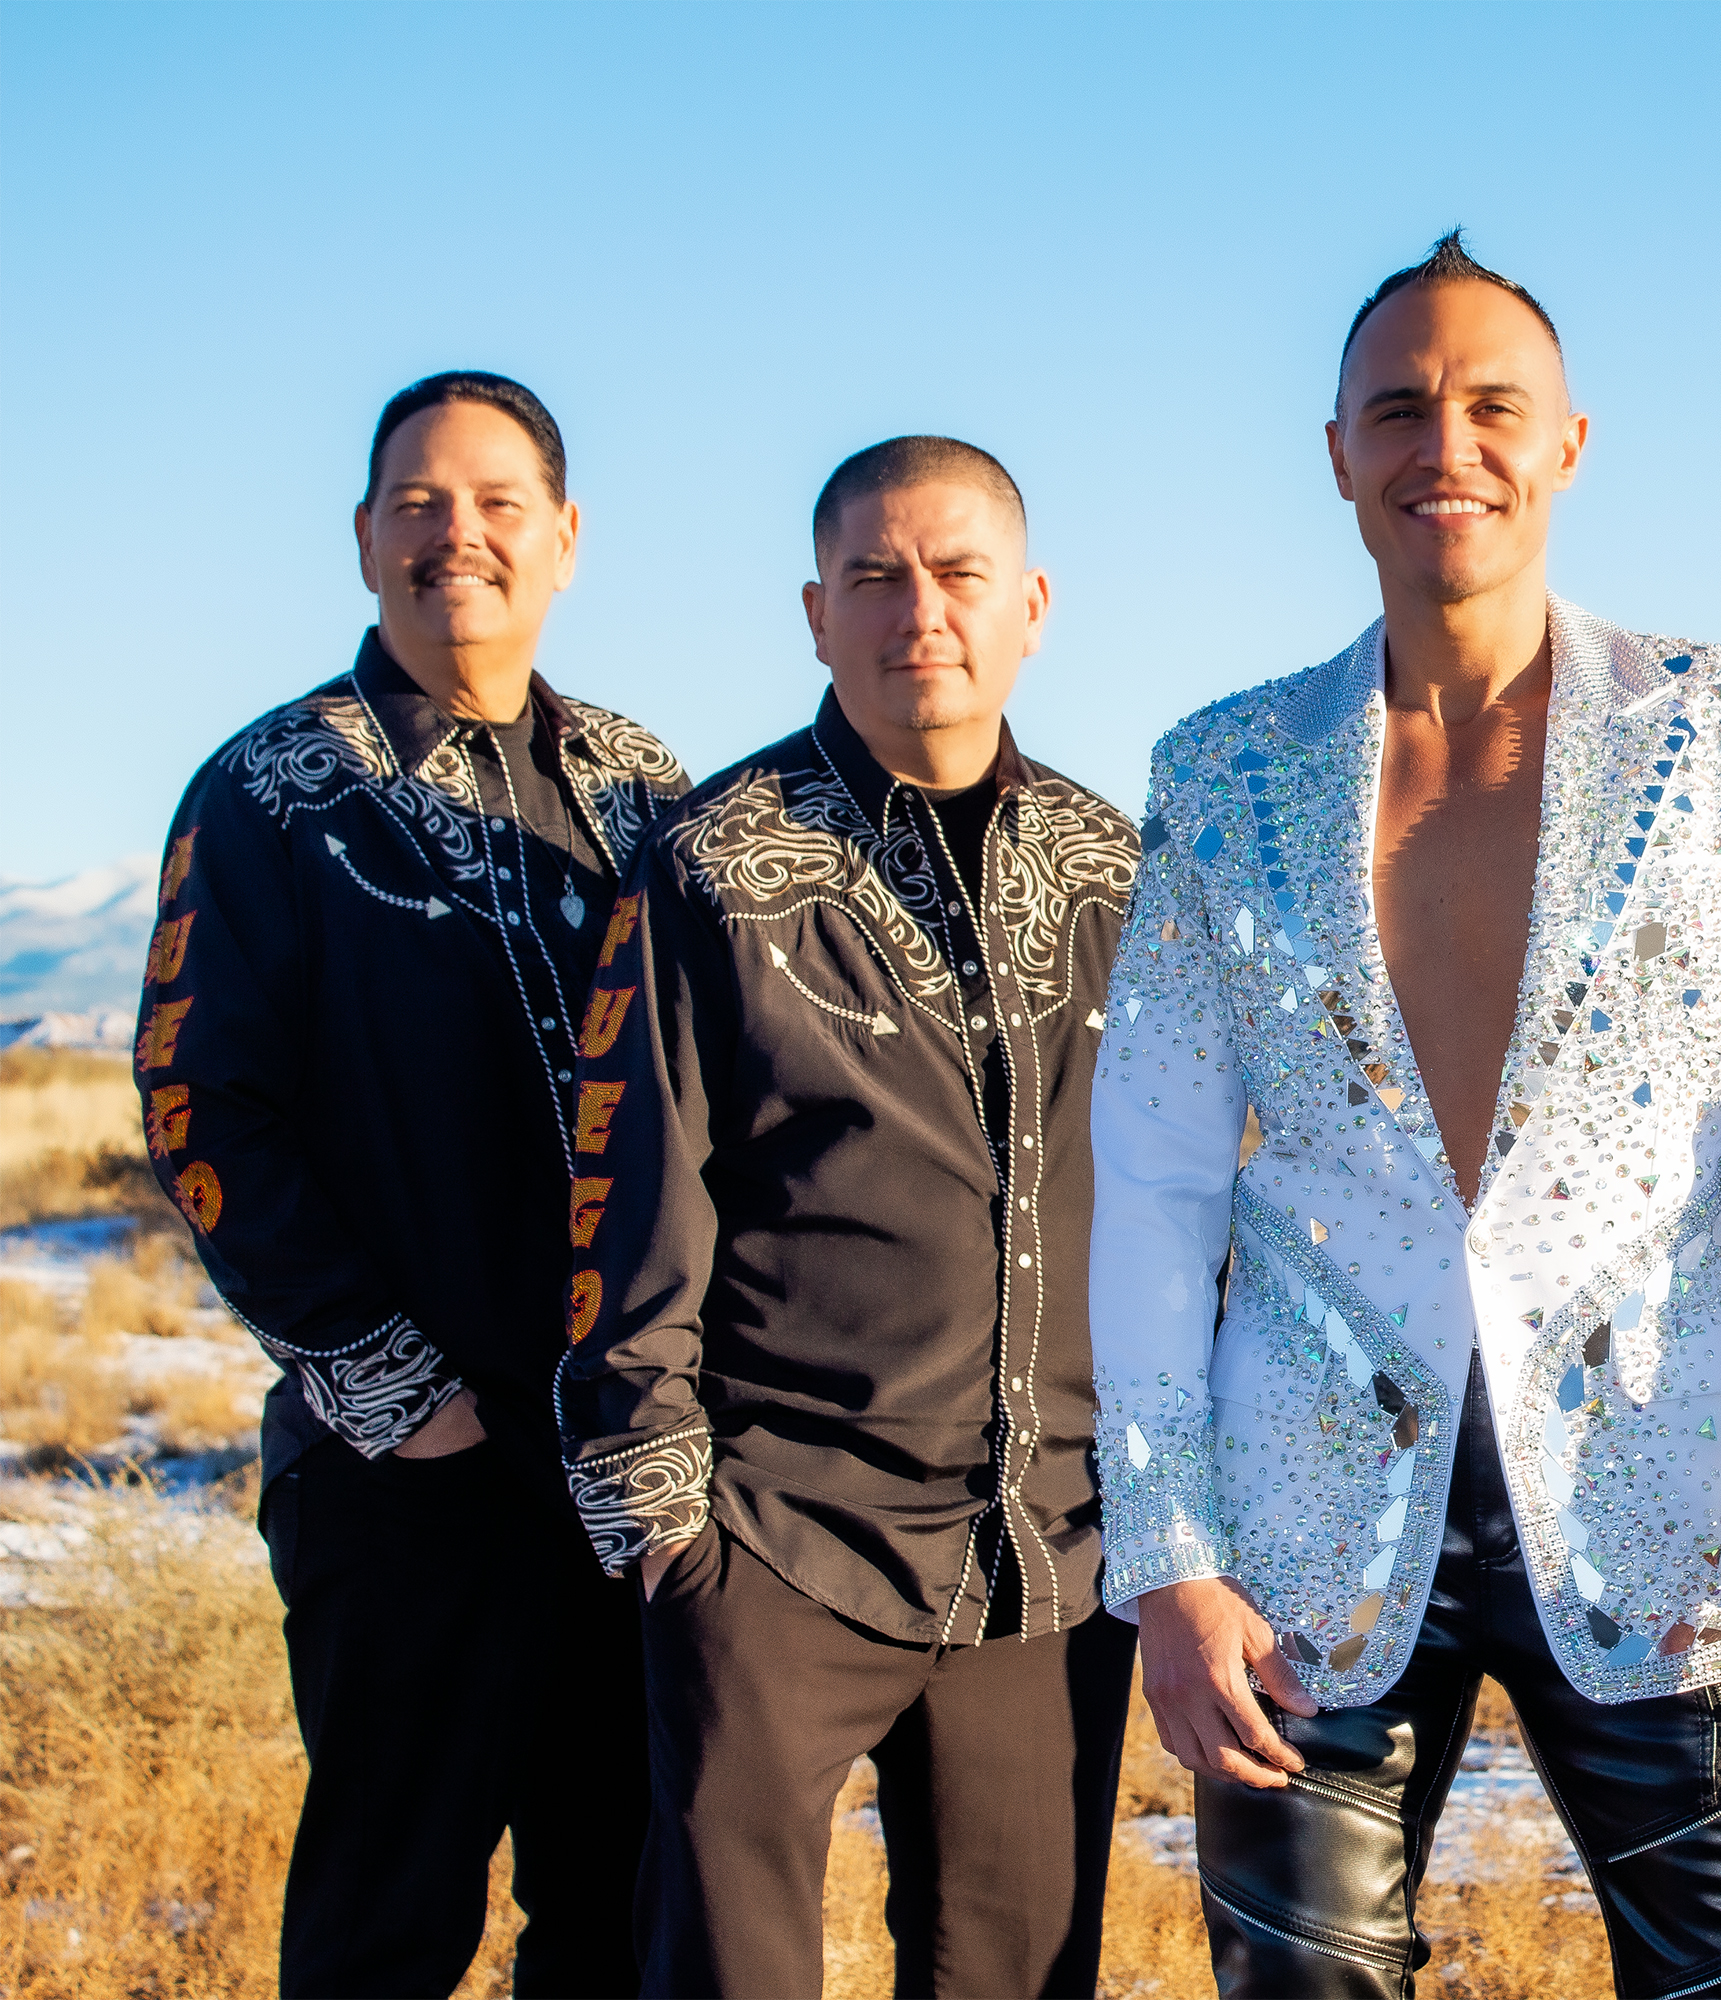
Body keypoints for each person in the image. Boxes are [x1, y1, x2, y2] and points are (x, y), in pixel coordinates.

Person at [1088, 231, 1721, 1999]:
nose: (1445, 444)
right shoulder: (1221, 769)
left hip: (1675, 1508)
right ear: (1337, 453)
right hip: (1299, 1532)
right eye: (1399, 408)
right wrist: (1166, 1555)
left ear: (1569, 442)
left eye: (1492, 405)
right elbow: (1154, 1184)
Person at [557, 435, 1140, 1999]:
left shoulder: (1119, 873)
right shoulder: (711, 866)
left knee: (1015, 1978)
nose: (919, 611)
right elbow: (631, 1199)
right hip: (775, 1541)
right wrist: (668, 1537)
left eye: (957, 573)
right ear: (817, 613)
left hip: (1051, 1557)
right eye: (874, 577)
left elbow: (1183, 1202)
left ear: (1031, 606)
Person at [132, 371, 685, 1996]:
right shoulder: (271, 789)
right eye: (419, 503)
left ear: (565, 537)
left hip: (620, 1462)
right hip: (406, 1473)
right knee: (386, 1925)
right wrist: (396, 1393)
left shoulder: (645, 786)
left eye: (499, 502)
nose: (460, 535)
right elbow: (196, 1100)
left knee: (619, 1913)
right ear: (366, 537)